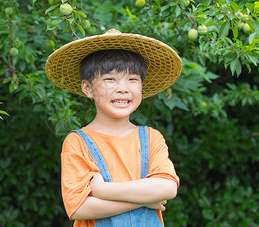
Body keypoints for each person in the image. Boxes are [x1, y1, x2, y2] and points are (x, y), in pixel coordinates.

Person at [45, 29, 182, 226]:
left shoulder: (152, 138)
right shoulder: (77, 142)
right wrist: (146, 199)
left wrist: (103, 191)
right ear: (88, 88)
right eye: (110, 79)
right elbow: (78, 208)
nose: (123, 88)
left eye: (132, 79)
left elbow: (167, 188)